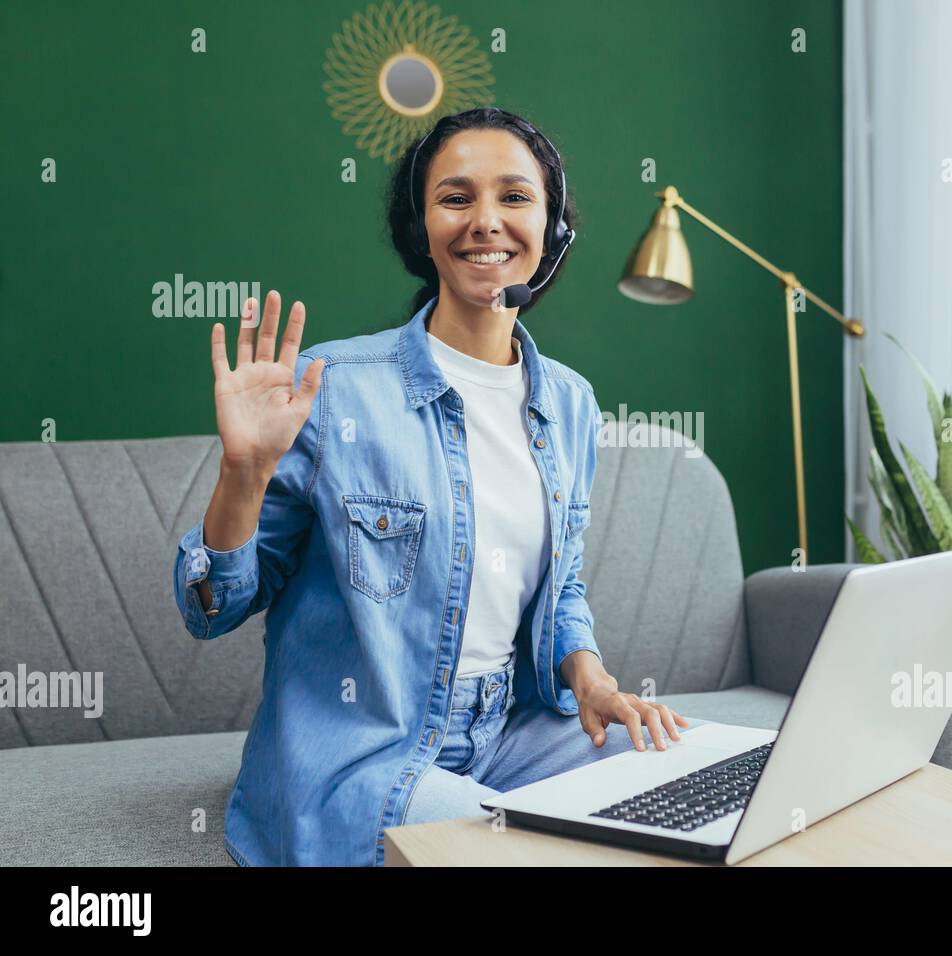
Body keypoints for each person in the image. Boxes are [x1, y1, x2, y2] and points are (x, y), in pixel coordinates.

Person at [173, 106, 709, 866]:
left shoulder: (572, 405)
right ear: (422, 229)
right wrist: (244, 474)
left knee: (688, 787)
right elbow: (211, 609)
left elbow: (563, 586)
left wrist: (588, 677)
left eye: (515, 197)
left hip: (512, 733)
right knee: (516, 852)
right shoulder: (333, 389)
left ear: (553, 230)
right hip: (367, 751)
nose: (486, 221)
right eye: (456, 198)